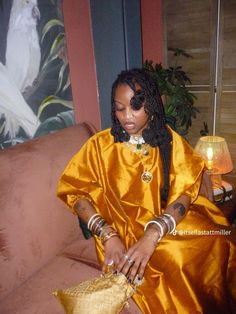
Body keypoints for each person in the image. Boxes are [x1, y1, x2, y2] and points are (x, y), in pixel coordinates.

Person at [57, 68, 236, 313]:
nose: (127, 116)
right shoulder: (99, 146)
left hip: (164, 221)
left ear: (150, 105)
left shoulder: (168, 140)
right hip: (120, 232)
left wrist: (153, 234)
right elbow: (74, 192)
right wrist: (107, 235)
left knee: (216, 240)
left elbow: (185, 192)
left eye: (135, 106)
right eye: (120, 108)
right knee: (172, 260)